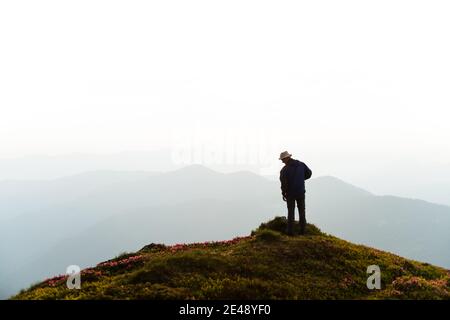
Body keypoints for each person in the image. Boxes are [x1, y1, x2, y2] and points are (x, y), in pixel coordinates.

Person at [279, 151, 312, 235]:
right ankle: (303, 231)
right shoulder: (301, 164)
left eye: (282, 159)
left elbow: (284, 184)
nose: (282, 161)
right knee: (302, 211)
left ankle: (290, 232)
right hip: (301, 192)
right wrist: (301, 179)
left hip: (290, 194)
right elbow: (309, 173)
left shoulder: (284, 170)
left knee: (291, 212)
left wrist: (283, 193)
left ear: (286, 158)